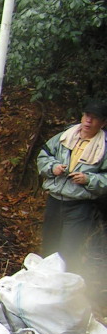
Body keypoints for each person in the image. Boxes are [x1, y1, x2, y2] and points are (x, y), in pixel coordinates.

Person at [36, 98, 107, 291]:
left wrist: (89, 179)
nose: (88, 121)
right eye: (86, 116)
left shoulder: (104, 146)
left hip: (79, 205)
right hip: (55, 200)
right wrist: (53, 167)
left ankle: (63, 292)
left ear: (103, 122)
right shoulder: (65, 137)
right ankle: (42, 288)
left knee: (70, 250)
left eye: (94, 118)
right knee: (49, 247)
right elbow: (43, 156)